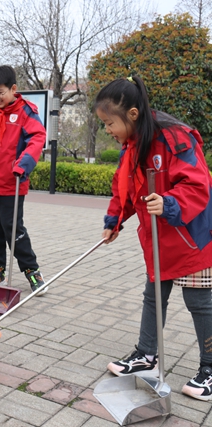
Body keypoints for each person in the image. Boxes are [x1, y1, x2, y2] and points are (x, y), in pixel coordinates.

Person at [97, 75, 212, 401]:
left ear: (132, 114)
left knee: (199, 303)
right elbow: (124, 189)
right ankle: (147, 356)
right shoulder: (131, 147)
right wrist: (113, 221)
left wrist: (170, 202)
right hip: (158, 238)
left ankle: (210, 366)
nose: (107, 130)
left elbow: (198, 184)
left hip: (191, 234)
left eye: (109, 123)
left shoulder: (176, 138)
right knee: (154, 295)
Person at [0, 65, 46, 294]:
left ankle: (32, 271)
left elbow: (37, 138)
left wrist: (23, 165)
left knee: (13, 230)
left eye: (0, 92)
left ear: (13, 88)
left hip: (12, 183)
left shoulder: (26, 112)